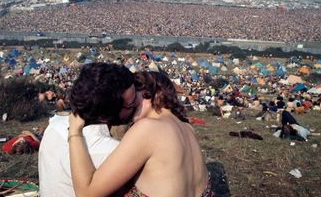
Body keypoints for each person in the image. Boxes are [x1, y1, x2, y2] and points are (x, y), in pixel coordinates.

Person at [68, 71, 214, 197]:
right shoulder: (187, 127)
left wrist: (75, 131)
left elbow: (86, 193)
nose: (126, 104)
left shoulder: (148, 129)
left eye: (132, 95)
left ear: (149, 92)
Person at [39, 63, 136, 197]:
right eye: (131, 103)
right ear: (106, 113)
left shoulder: (54, 125)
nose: (137, 105)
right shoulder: (113, 153)